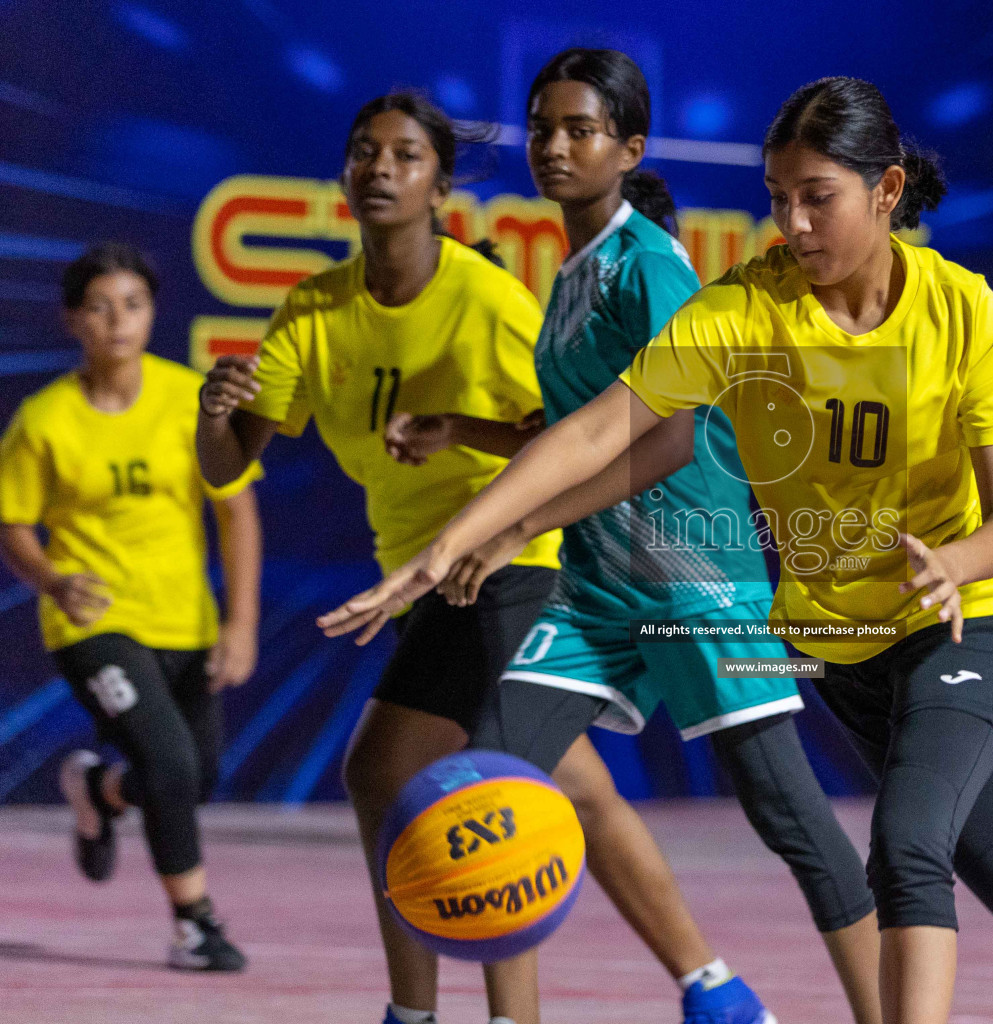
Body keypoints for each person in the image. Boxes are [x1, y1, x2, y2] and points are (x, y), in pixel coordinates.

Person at [320, 76, 993, 1024]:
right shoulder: (748, 311)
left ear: (885, 191)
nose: (790, 224)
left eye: (816, 198)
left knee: (908, 847)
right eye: (777, 199)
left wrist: (952, 564)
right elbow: (598, 432)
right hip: (847, 650)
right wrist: (463, 532)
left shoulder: (964, 314)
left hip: (971, 625)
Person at [195, 92, 772, 1024]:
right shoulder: (313, 310)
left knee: (451, 779)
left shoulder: (491, 300)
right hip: (428, 575)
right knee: (551, 786)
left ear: (439, 183)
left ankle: (461, 1014)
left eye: (404, 156)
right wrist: (214, 415)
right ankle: (715, 988)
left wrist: (468, 451)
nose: (379, 168)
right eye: (363, 152)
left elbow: (570, 438)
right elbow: (229, 466)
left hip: (522, 561)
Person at [387, 49, 879, 1024]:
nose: (555, 146)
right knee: (490, 782)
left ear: (630, 147)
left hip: (696, 570)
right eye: (541, 128)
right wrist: (466, 435)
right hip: (602, 584)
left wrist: (514, 524)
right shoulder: (571, 274)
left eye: (580, 129)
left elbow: (667, 436)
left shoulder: (649, 261)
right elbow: (569, 429)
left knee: (785, 809)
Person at [0, 243, 262, 971]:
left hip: (187, 620)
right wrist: (53, 581)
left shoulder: (191, 399)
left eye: (135, 304)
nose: (119, 321)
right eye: (100, 306)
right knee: (172, 765)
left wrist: (240, 624)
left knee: (195, 777)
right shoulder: (44, 419)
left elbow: (237, 512)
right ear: (72, 321)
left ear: (152, 314)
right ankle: (195, 925)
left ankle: (100, 788)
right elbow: (12, 522)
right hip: (94, 623)